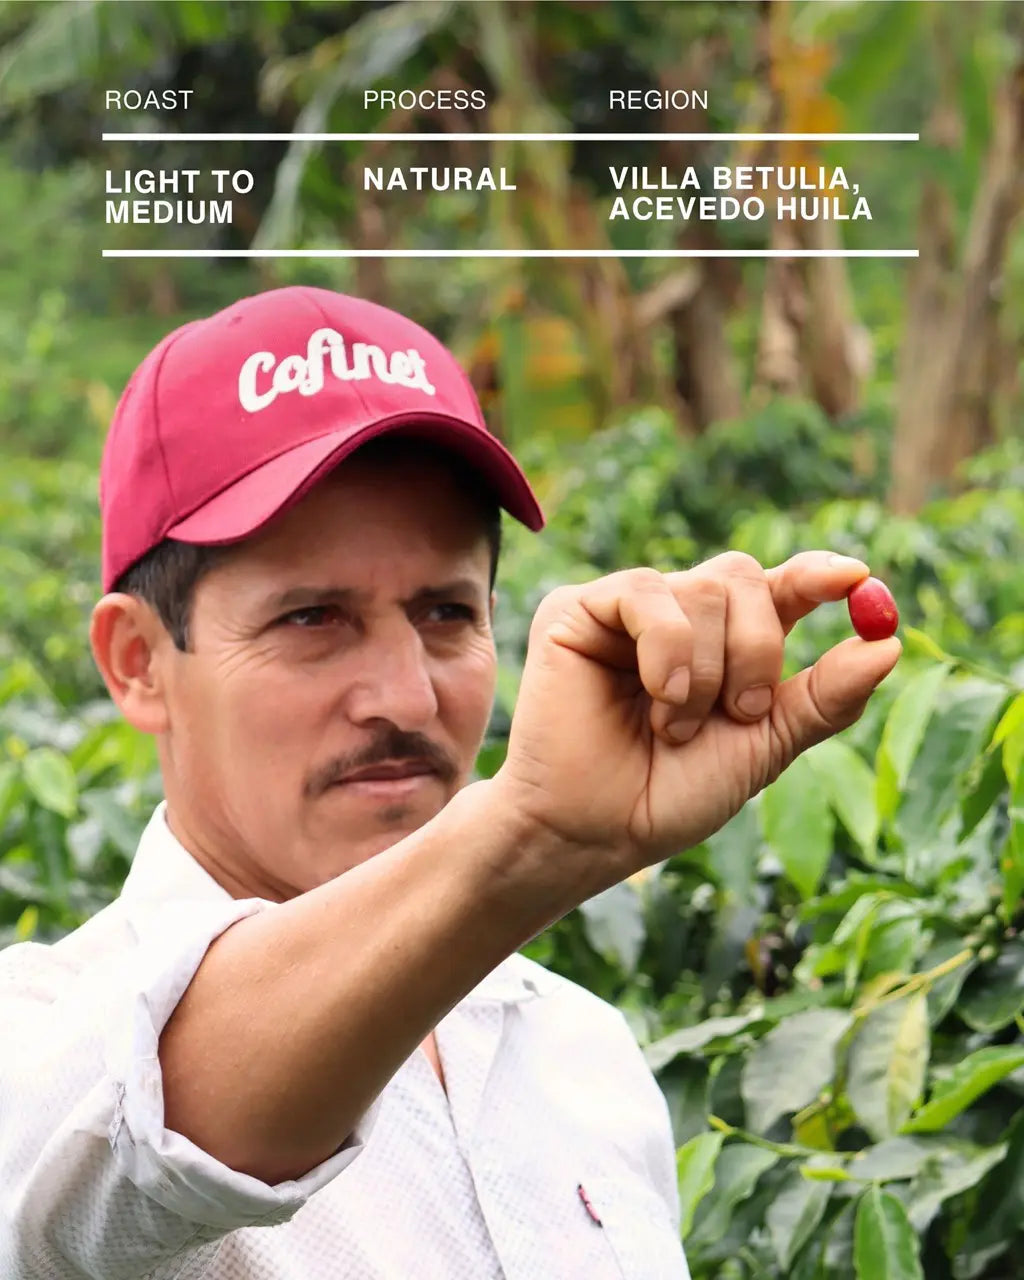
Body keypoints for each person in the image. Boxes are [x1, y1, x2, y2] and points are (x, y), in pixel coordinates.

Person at [0, 286, 900, 1280]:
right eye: (311, 618)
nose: (407, 697)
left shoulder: (580, 1051)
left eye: (446, 613)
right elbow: (150, 1121)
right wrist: (530, 837)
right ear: (136, 661)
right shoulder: (31, 1047)